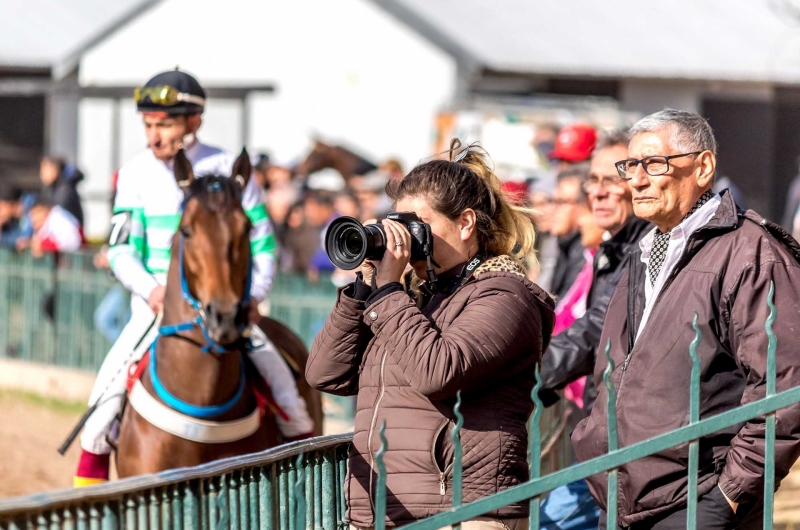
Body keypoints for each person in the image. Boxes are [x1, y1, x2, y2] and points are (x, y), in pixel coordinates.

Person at [74, 69, 314, 487]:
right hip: (154, 315)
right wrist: (151, 290)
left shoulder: (228, 168)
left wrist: (254, 296)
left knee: (291, 399)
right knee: (96, 422)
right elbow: (120, 249)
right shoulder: (134, 174)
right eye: (148, 125)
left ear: (193, 122)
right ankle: (88, 501)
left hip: (232, 311)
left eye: (163, 125)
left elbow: (263, 245)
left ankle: (309, 481)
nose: (154, 136)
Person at [306, 141, 555, 530]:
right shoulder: (409, 299)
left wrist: (388, 292)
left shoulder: (505, 295)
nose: (402, 243)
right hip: (379, 512)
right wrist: (363, 289)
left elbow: (436, 372)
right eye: (397, 226)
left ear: (466, 223)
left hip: (462, 515)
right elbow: (325, 374)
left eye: (416, 228)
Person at [572, 109, 800, 529]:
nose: (636, 179)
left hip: (695, 501)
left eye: (654, 164)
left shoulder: (750, 252)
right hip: (623, 499)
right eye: (631, 165)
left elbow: (784, 389)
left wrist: (729, 496)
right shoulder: (644, 251)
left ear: (703, 167)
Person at [537, 130, 651, 530]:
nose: (599, 193)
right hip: (594, 429)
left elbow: (595, 330)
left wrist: (529, 374)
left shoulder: (645, 250)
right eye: (594, 180)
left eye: (613, 179)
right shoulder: (614, 247)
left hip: (628, 447)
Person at [550, 164, 591, 300]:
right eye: (553, 201)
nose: (554, 209)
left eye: (562, 202)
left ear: (583, 205)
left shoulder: (586, 252)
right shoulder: (565, 245)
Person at [39, 155, 84, 226]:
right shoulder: (54, 188)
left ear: (55, 169)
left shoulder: (64, 191)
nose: (42, 174)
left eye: (45, 169)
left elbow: (61, 220)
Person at [0, 185, 35, 251]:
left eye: (1, 207)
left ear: (10, 203)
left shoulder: (33, 203)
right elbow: (10, 240)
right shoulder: (9, 222)